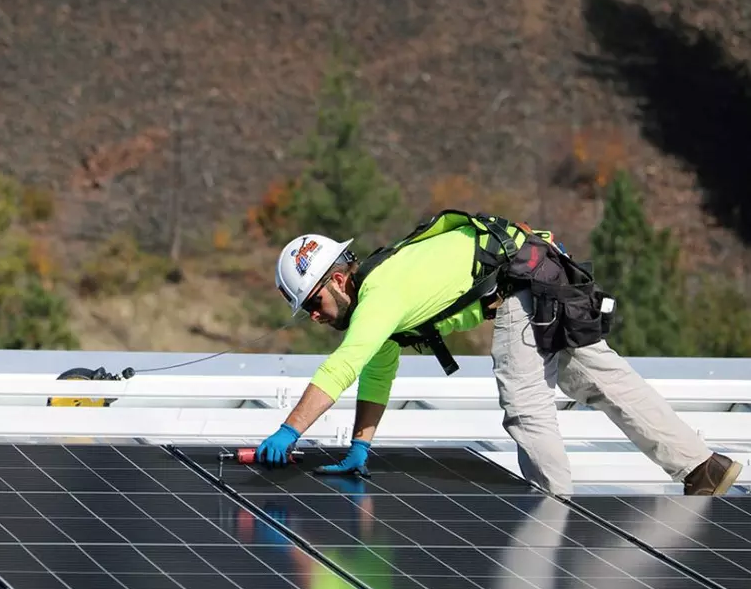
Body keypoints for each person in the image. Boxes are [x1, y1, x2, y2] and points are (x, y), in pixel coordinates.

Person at [256, 210, 743, 497]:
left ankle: (552, 512)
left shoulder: (380, 292)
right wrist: (360, 446)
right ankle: (702, 467)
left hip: (522, 288)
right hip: (541, 275)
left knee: (524, 401)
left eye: (314, 302)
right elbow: (377, 367)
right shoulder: (378, 298)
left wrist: (289, 429)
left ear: (338, 279)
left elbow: (345, 364)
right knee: (599, 379)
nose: (315, 317)